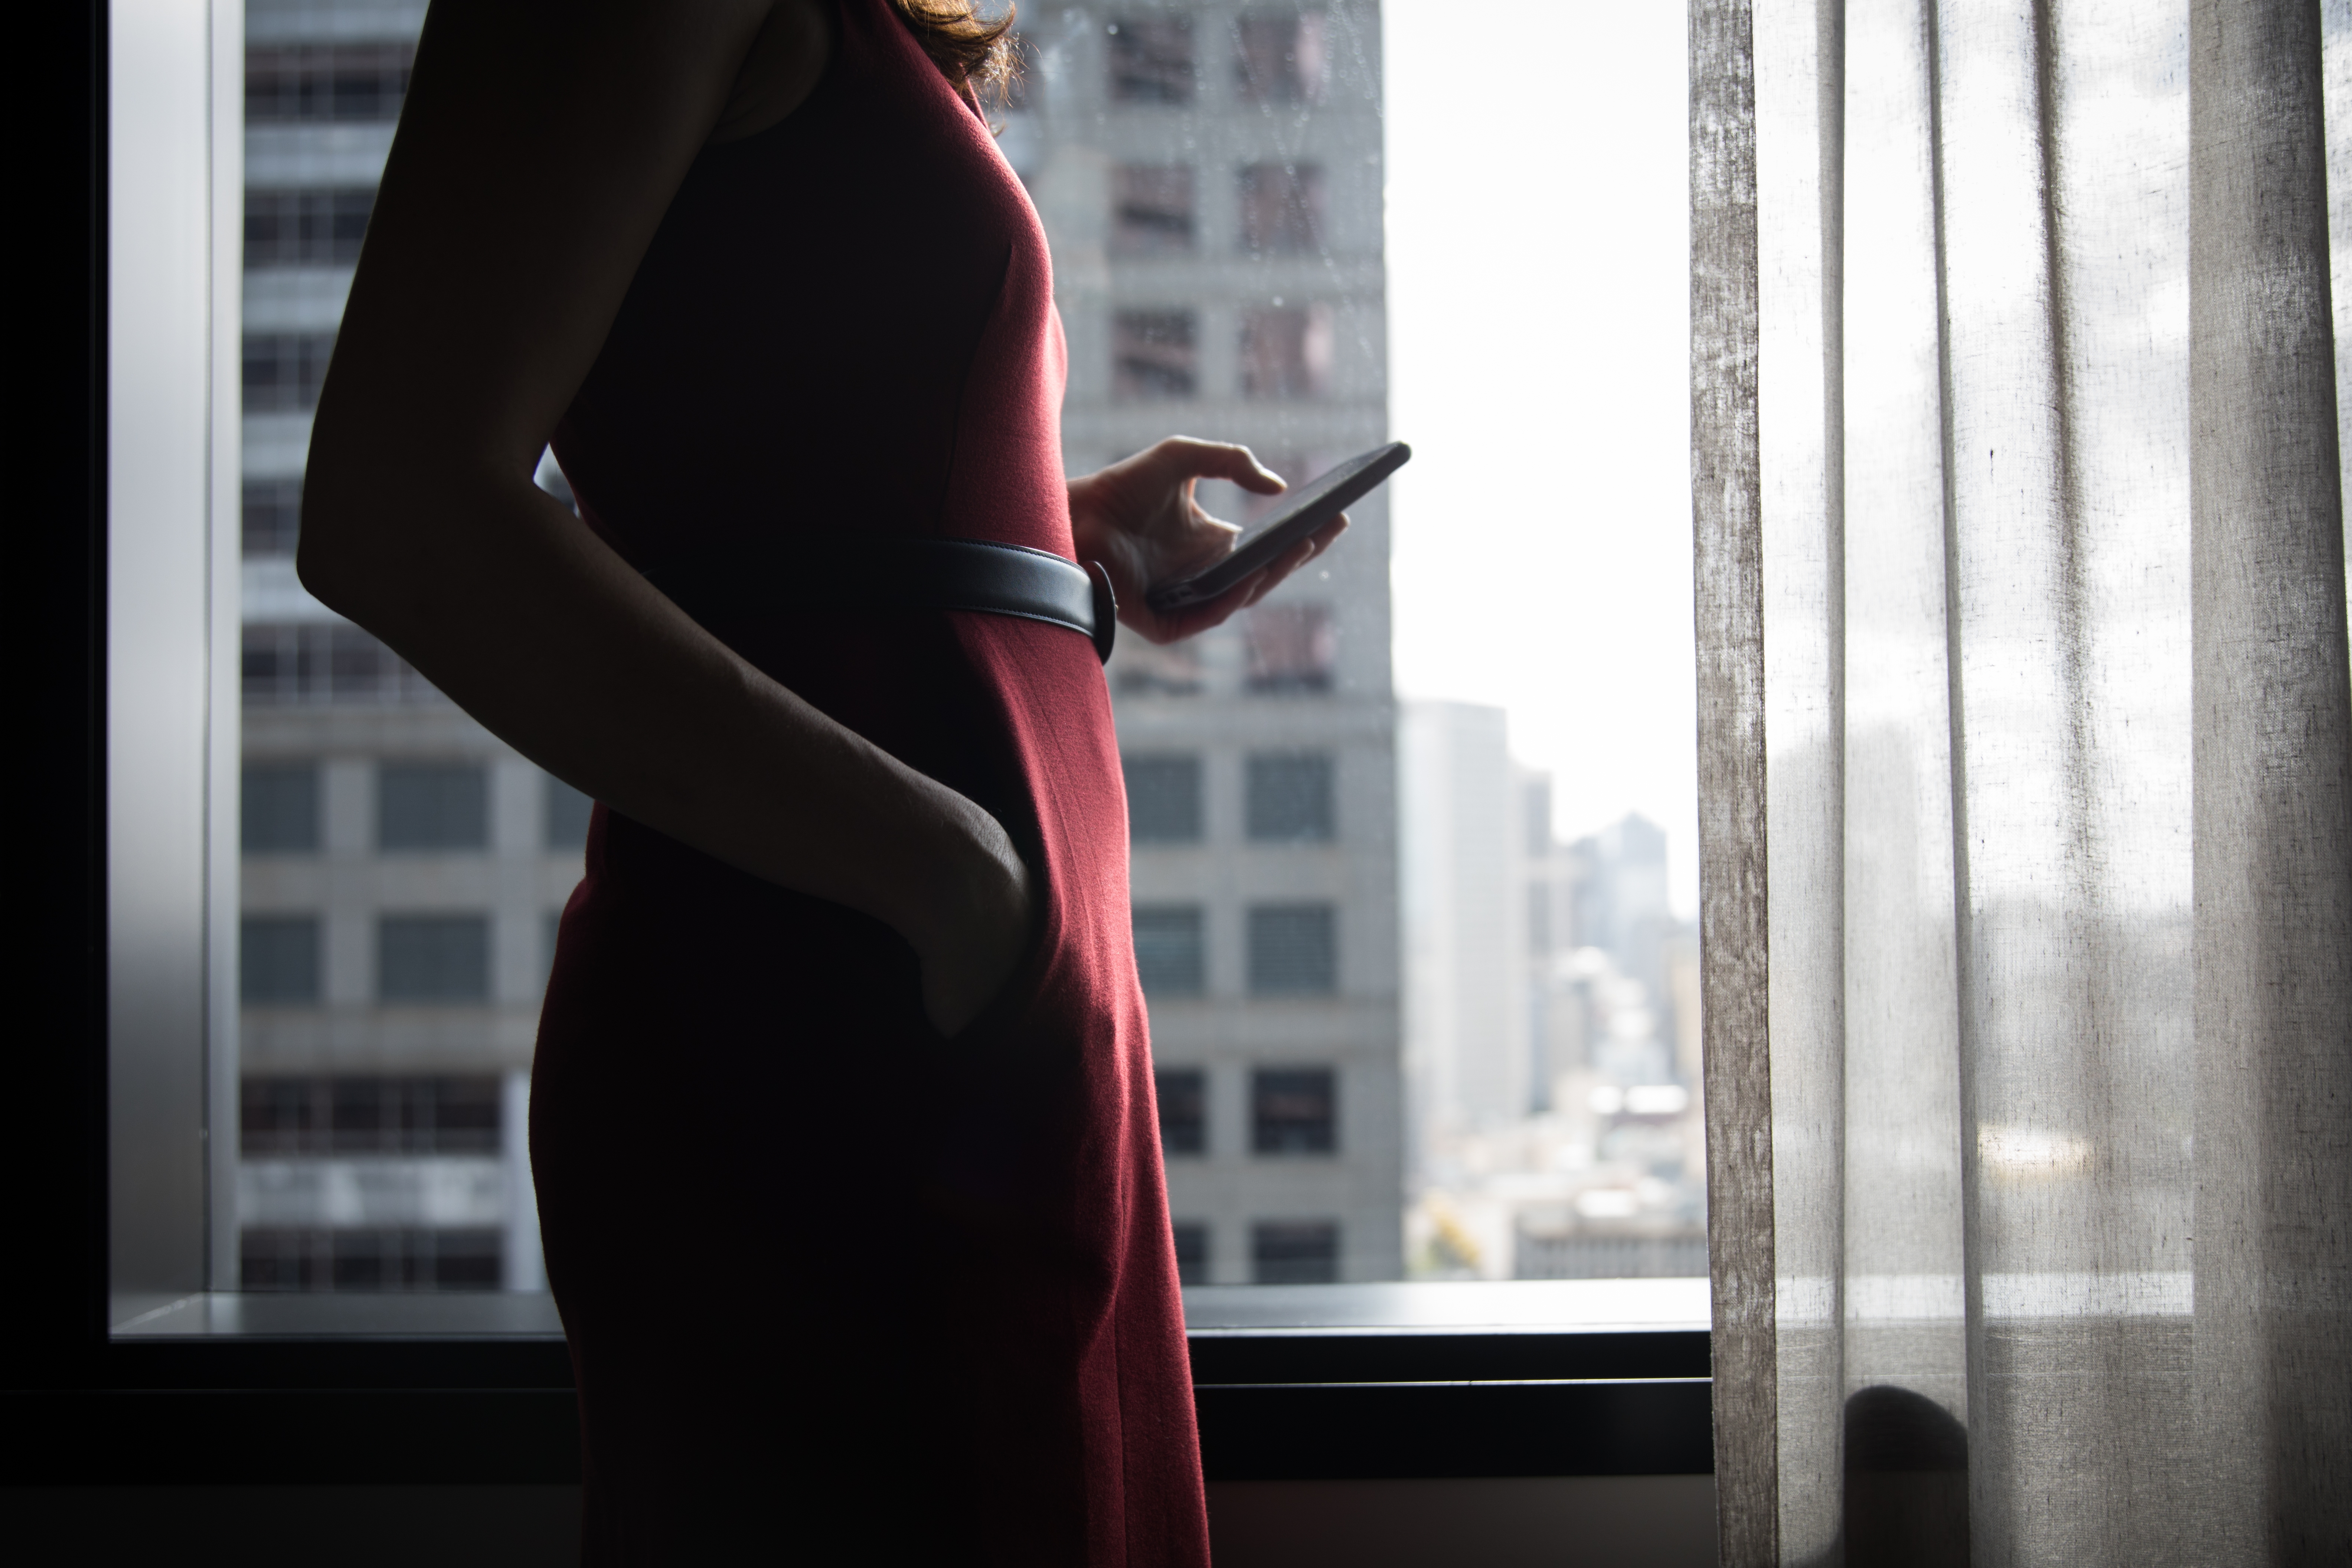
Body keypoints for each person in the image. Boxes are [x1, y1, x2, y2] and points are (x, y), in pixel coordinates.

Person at [298, 0, 1346, 1561]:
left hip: (956, 985)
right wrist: (955, 882)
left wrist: (1061, 543)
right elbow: (395, 507)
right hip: (834, 992)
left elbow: (768, 469)